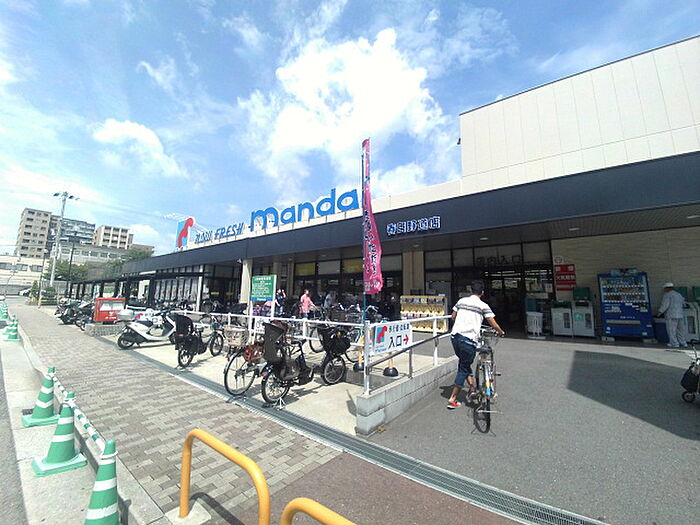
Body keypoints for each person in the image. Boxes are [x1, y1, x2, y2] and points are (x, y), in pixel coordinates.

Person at [447, 280, 504, 409]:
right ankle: (453, 398)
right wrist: (500, 331)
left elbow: (453, 316)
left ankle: (472, 387)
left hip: (455, 337)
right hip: (468, 340)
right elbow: (492, 322)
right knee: (463, 368)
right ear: (482, 293)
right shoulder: (483, 306)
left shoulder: (461, 301)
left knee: (464, 362)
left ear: (470, 290)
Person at [656, 282, 687, 349]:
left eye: (664, 288)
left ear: (667, 288)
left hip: (671, 315)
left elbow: (665, 305)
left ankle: (674, 343)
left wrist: (659, 312)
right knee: (680, 330)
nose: (664, 290)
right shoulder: (679, 294)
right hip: (680, 315)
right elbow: (684, 304)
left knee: (671, 330)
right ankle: (683, 343)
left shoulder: (667, 295)